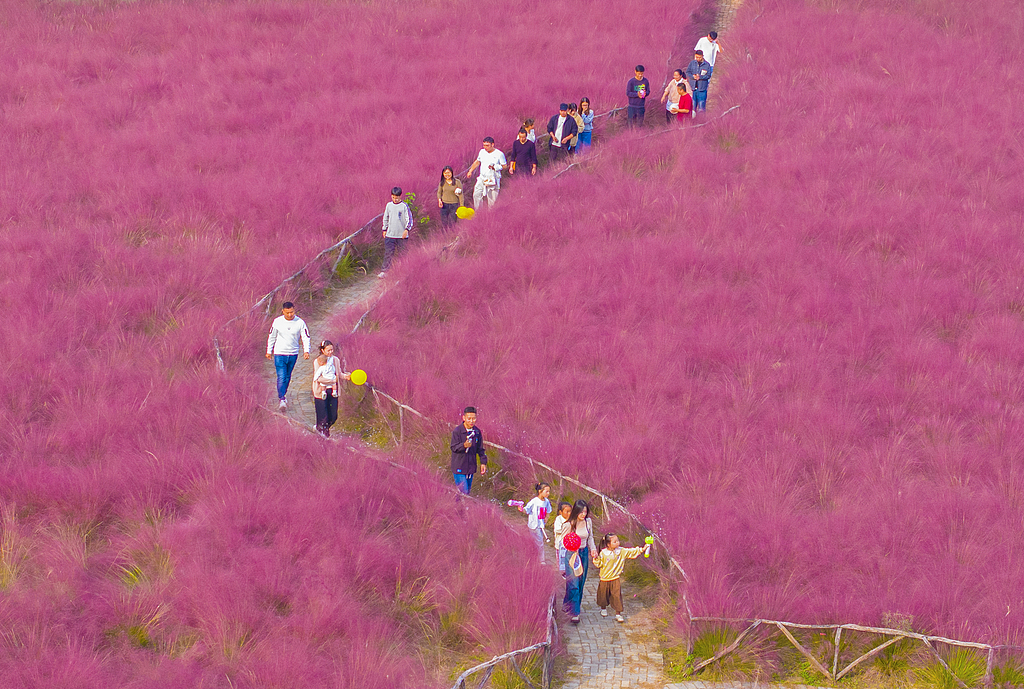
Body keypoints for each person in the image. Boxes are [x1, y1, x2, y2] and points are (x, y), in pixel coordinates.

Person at [593, 533, 650, 623]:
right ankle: (603, 608)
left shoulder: (621, 551)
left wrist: (642, 549)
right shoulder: (603, 553)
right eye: (615, 542)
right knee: (603, 594)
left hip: (615, 578)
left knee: (617, 596)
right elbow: (599, 564)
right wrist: (595, 558)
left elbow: (631, 552)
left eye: (618, 541)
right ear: (608, 544)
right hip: (604, 578)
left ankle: (618, 614)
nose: (618, 543)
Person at [266, 301, 310, 411]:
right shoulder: (277, 322)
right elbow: (272, 336)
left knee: (287, 376)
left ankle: (283, 394)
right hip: (279, 353)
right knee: (281, 375)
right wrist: (269, 351)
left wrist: (306, 351)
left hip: (293, 353)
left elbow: (305, 336)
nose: (290, 315)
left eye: (291, 312)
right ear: (283, 311)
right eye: (287, 313)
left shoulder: (300, 322)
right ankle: (282, 398)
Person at [559, 500, 597, 624]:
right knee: (573, 582)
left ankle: (569, 604)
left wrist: (593, 550)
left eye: (585, 512)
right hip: (572, 555)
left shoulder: (588, 522)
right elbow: (562, 543)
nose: (583, 514)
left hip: (584, 553)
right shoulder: (569, 525)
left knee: (581, 581)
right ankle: (574, 612)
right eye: (581, 512)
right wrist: (561, 564)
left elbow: (590, 537)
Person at [312, 339, 350, 437]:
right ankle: (323, 434)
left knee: (333, 416)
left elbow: (339, 373)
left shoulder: (335, 360)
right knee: (323, 416)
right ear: (323, 350)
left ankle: (322, 429)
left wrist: (346, 376)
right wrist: (333, 381)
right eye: (328, 350)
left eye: (332, 350)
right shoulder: (318, 361)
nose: (330, 352)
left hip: (333, 391)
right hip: (321, 391)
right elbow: (319, 378)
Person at [450, 406, 487, 494]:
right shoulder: (457, 431)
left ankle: (456, 507)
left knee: (466, 493)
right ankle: (460, 507)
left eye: (473, 418)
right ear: (464, 418)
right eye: (469, 418)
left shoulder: (477, 432)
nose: (471, 421)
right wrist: (464, 445)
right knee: (464, 493)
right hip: (459, 467)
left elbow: (480, 449)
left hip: (470, 468)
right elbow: (453, 447)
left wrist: (483, 463)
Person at [380, 186, 413, 278]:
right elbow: (385, 218)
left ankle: (403, 271)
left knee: (402, 253)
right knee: (388, 253)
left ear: (400, 196)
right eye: (393, 197)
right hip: (390, 234)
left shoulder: (404, 206)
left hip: (401, 235)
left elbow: (409, 219)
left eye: (397, 197)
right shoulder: (389, 205)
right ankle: (385, 271)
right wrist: (384, 229)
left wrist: (406, 230)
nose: (395, 199)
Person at [465, 137, 507, 210]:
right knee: (476, 194)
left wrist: (496, 167)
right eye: (484, 145)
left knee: (492, 199)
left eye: (487, 145)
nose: (485, 147)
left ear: (492, 144)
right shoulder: (482, 152)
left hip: (493, 178)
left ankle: (490, 215)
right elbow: (477, 161)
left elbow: (505, 166)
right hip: (482, 177)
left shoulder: (499, 154)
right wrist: (470, 171)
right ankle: (478, 213)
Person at [519, 483, 552, 563]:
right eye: (546, 491)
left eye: (549, 492)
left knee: (540, 542)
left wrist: (546, 518)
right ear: (540, 491)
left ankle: (540, 559)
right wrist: (521, 509)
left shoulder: (546, 501)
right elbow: (526, 510)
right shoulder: (534, 501)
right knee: (535, 541)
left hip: (540, 525)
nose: (548, 493)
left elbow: (548, 510)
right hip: (533, 525)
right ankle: (536, 558)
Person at [552, 501, 573, 576]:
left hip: (570, 545)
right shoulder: (559, 519)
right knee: (561, 560)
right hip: (560, 545)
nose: (569, 513)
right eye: (567, 512)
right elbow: (557, 530)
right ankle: (562, 573)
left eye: (570, 511)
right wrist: (566, 529)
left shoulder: (572, 520)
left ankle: (568, 571)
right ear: (561, 512)